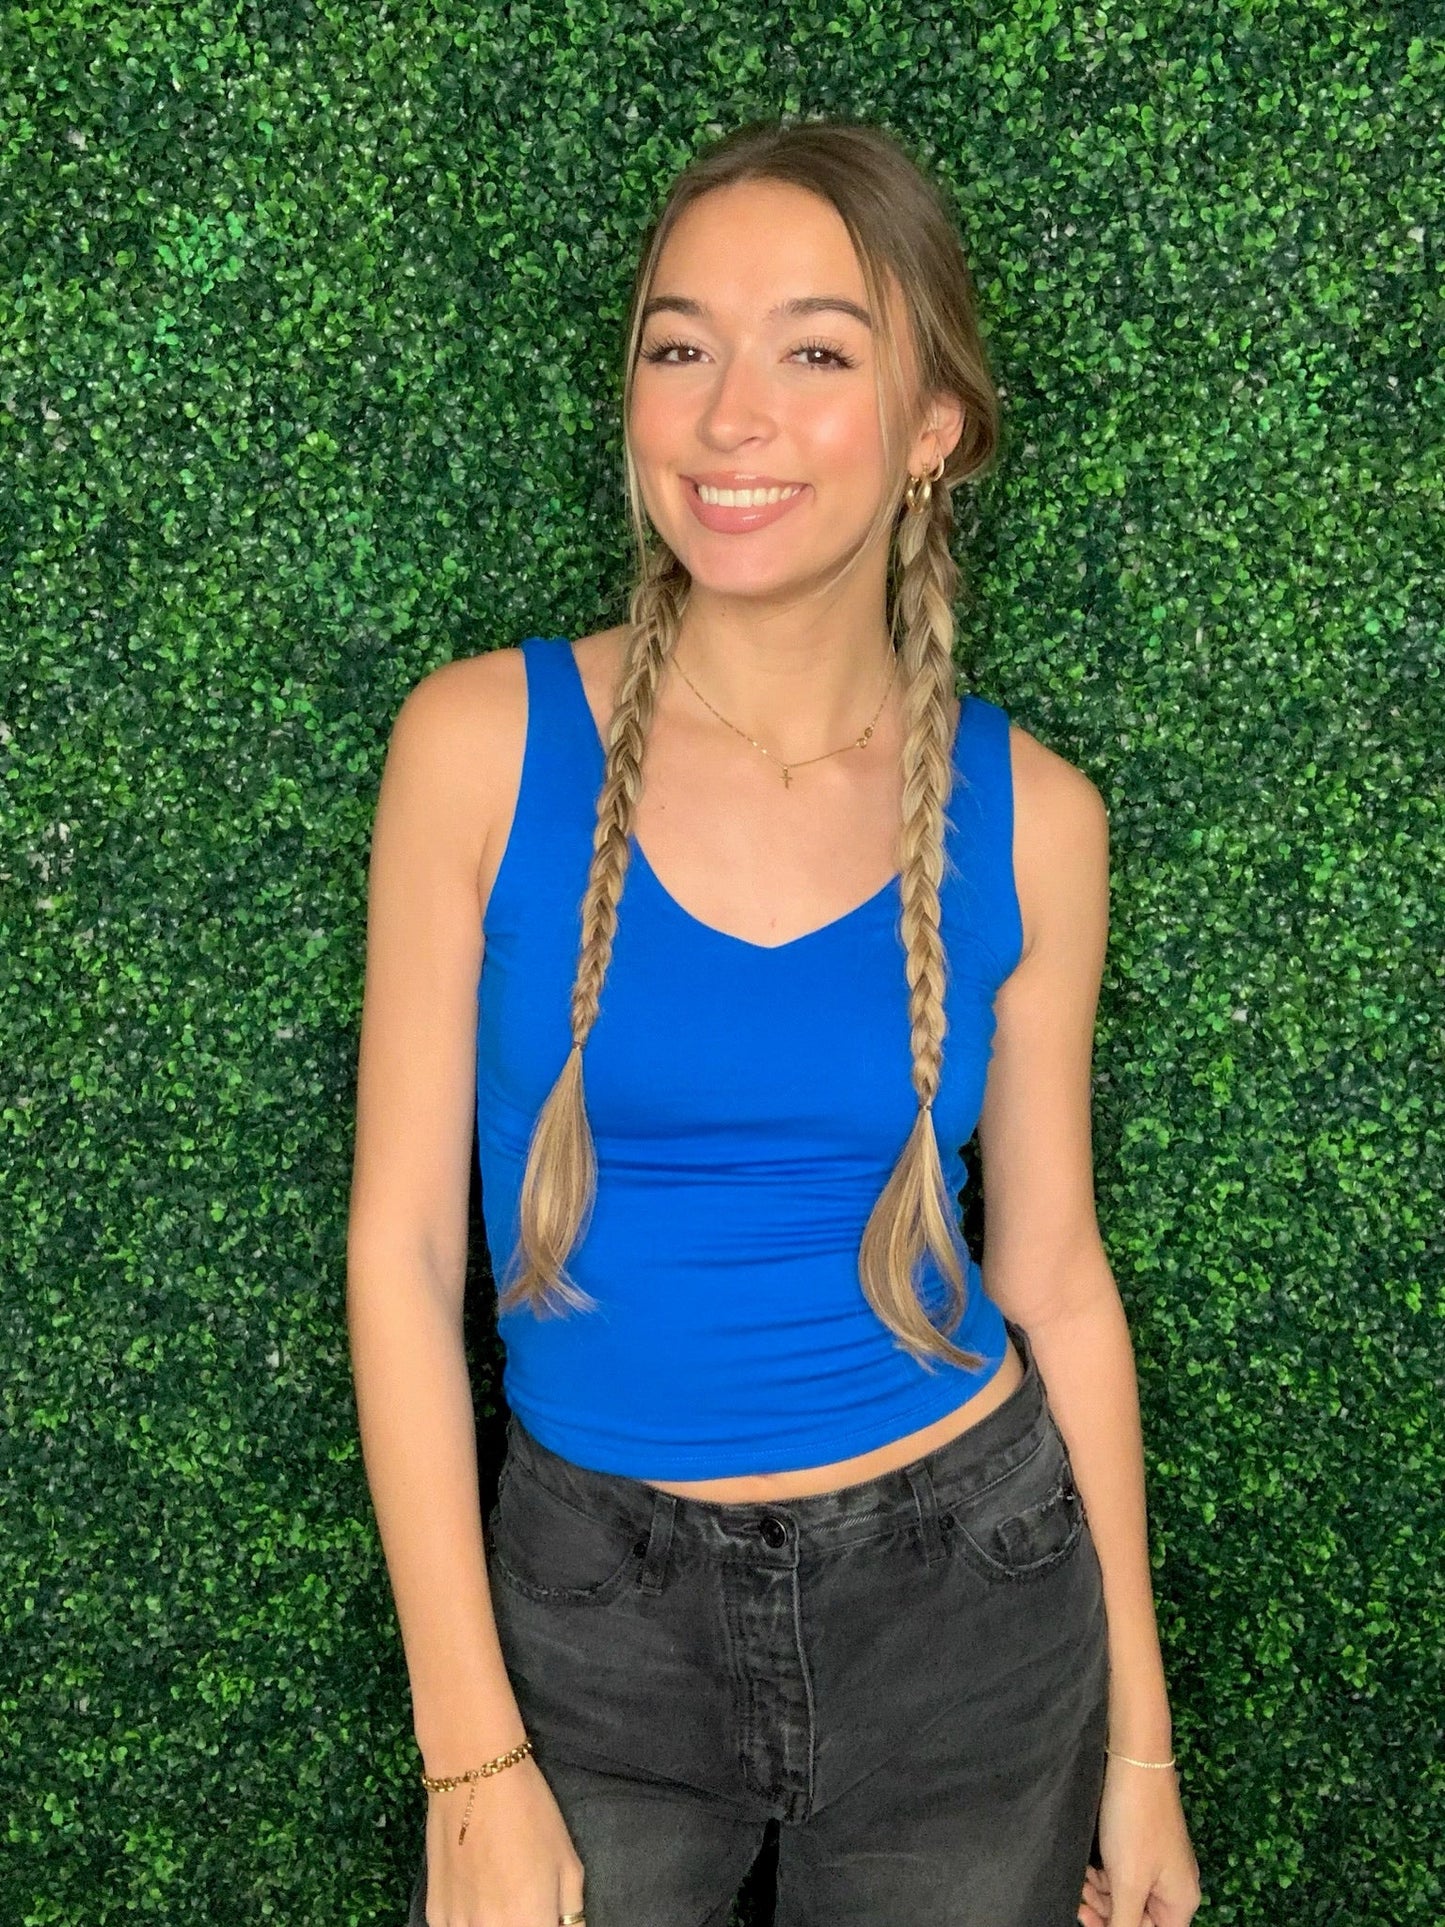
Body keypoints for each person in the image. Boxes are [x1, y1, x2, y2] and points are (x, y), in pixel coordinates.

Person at [348, 116, 1202, 1927]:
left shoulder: (1034, 817)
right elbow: (402, 1254)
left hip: (969, 1605)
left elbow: (1054, 1279)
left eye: (816, 353)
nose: (729, 416)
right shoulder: (478, 747)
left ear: (930, 428)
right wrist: (470, 1763)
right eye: (681, 348)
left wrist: (1141, 1753)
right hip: (586, 1615)